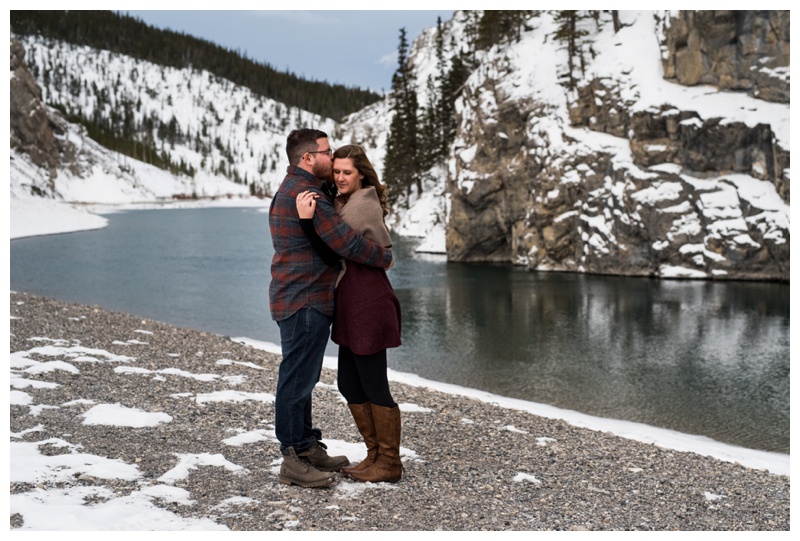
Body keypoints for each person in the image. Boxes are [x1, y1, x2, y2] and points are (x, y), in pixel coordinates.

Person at [269, 129, 394, 488]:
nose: (332, 156)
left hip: (294, 296)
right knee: (296, 380)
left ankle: (306, 446)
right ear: (308, 158)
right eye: (326, 152)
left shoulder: (294, 187)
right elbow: (348, 244)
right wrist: (384, 257)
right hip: (305, 299)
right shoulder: (308, 195)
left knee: (302, 379)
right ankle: (294, 456)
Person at [295, 144, 403, 483]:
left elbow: (332, 248)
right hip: (352, 301)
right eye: (337, 171)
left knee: (374, 384)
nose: (340, 178)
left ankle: (389, 462)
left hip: (368, 302)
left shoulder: (361, 207)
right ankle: (374, 455)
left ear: (362, 175)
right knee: (348, 382)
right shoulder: (344, 200)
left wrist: (307, 222)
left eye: (347, 173)